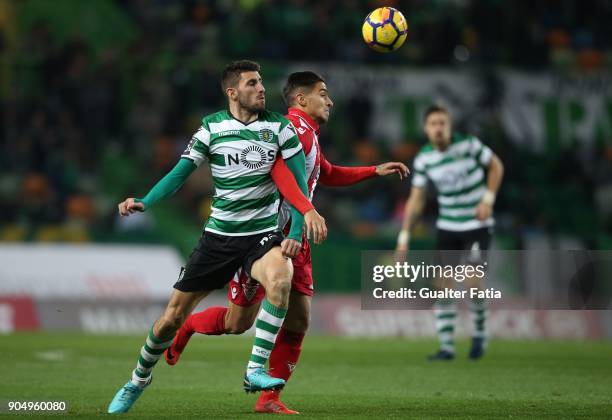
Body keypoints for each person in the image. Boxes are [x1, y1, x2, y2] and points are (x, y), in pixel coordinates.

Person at [164, 71, 409, 414]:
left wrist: (372, 171)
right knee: (238, 324)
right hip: (266, 239)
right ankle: (190, 325)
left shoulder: (310, 134)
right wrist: (298, 223)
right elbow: (280, 177)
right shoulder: (291, 131)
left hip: (295, 237)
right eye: (323, 94)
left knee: (298, 321)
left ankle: (269, 399)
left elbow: (325, 171)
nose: (330, 101)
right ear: (301, 100)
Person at [107, 60, 328, 414]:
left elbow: (298, 186)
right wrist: (146, 201)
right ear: (232, 91)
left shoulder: (279, 128)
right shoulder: (211, 129)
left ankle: (255, 369)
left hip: (261, 235)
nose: (261, 89)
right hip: (218, 237)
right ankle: (138, 379)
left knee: (280, 278)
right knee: (170, 320)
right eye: (253, 83)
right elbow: (180, 174)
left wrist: (297, 231)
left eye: (261, 83)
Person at [395, 104, 504, 361]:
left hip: (477, 225)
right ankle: (447, 347)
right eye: (433, 124)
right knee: (441, 286)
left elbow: (496, 166)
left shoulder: (468, 145)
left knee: (472, 281)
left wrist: (488, 199)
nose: (438, 128)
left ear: (450, 126)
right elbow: (417, 199)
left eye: (442, 123)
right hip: (448, 226)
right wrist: (404, 236)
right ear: (426, 129)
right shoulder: (424, 158)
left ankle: (480, 333)